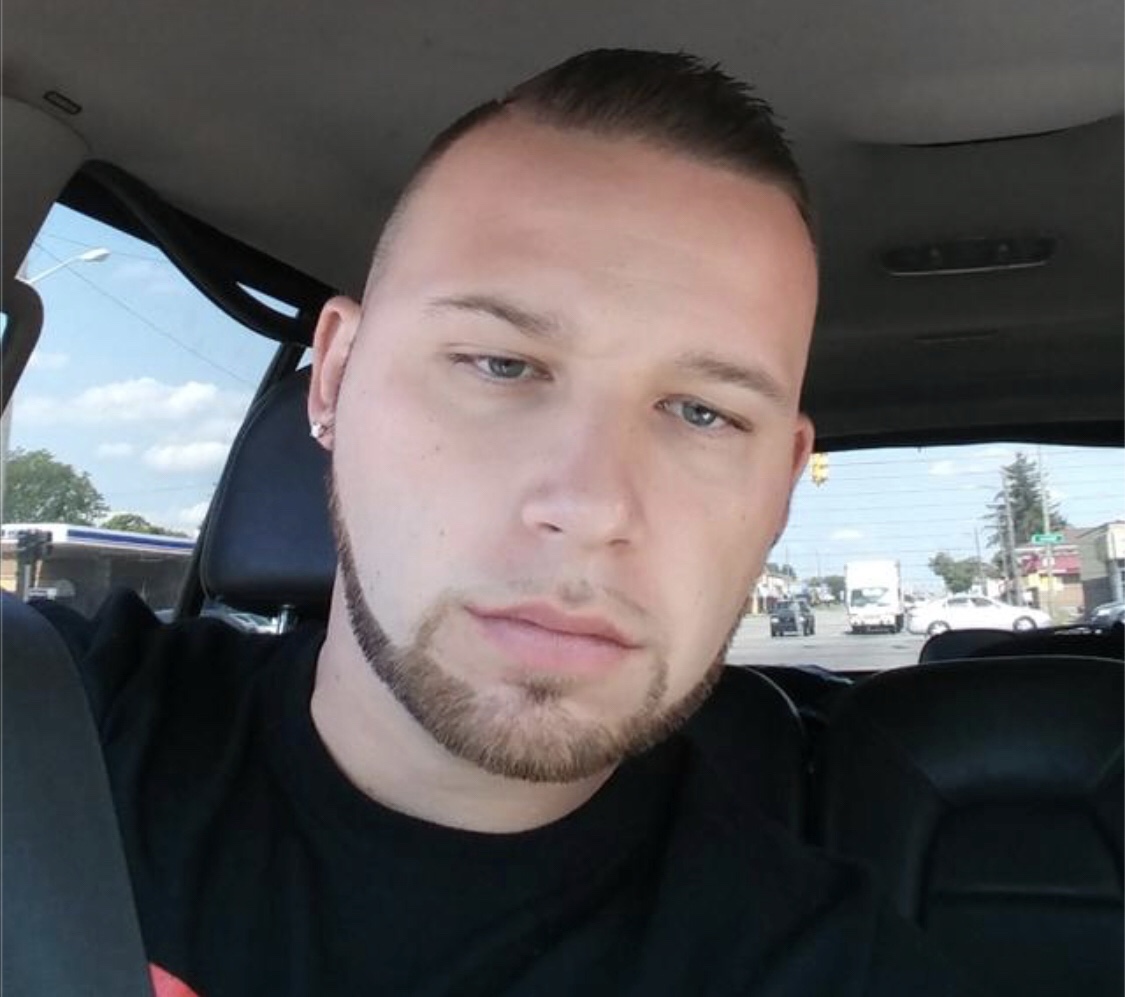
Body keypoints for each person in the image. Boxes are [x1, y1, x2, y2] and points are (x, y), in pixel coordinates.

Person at [40, 49, 977, 996]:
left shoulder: (842, 969)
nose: (591, 507)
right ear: (334, 379)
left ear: (779, 487)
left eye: (703, 413)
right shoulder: (41, 732)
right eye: (501, 364)